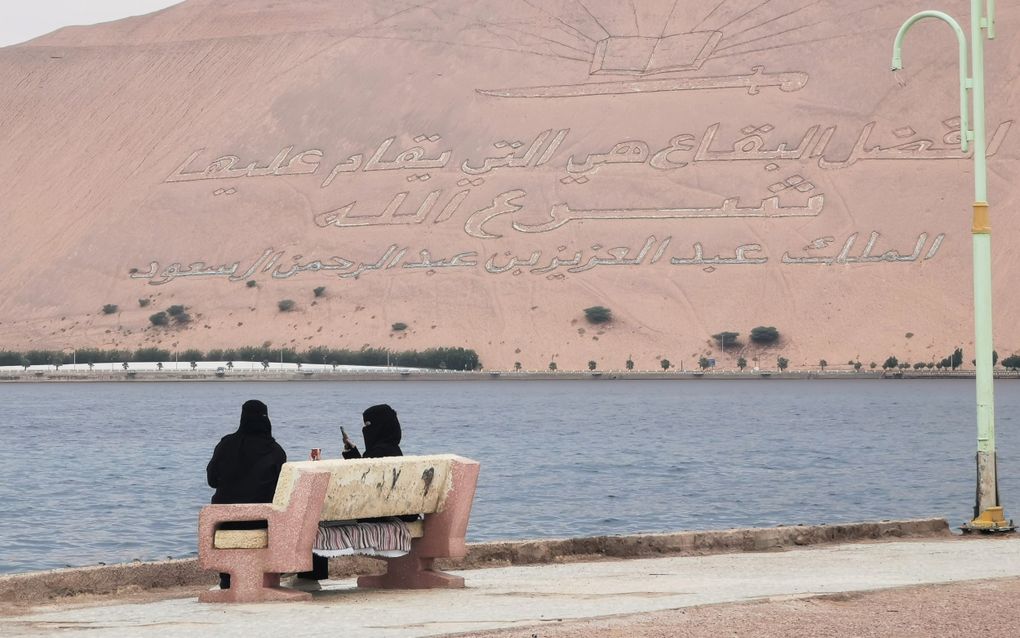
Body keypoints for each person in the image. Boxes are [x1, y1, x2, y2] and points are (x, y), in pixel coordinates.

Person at [297, 404, 409, 585]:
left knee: (314, 522)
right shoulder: (395, 451)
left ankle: (310, 578)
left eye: (368, 425)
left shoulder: (377, 452)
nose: (365, 430)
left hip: (375, 517)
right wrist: (353, 453)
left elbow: (360, 487)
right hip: (393, 514)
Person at [206, 399, 286, 590]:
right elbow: (281, 490)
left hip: (226, 522)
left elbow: (211, 481)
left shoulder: (225, 445)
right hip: (261, 521)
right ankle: (265, 576)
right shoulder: (276, 451)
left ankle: (227, 579)